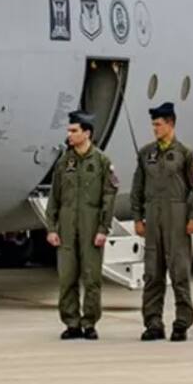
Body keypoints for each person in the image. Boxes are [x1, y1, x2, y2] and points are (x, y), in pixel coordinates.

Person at [131, 102, 193, 342]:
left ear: (170, 124)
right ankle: (153, 323)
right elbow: (137, 188)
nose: (154, 129)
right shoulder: (146, 154)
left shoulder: (186, 154)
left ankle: (182, 322)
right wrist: (137, 217)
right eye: (153, 124)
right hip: (153, 220)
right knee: (153, 274)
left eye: (158, 124)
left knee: (179, 273)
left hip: (177, 219)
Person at [45, 111, 118, 340]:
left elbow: (109, 197)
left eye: (74, 131)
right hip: (67, 227)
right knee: (67, 278)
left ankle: (89, 322)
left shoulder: (101, 162)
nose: (70, 135)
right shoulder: (64, 163)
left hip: (90, 228)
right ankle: (71, 322)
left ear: (87, 133)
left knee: (91, 278)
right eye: (69, 131)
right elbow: (54, 197)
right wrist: (51, 228)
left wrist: (103, 229)